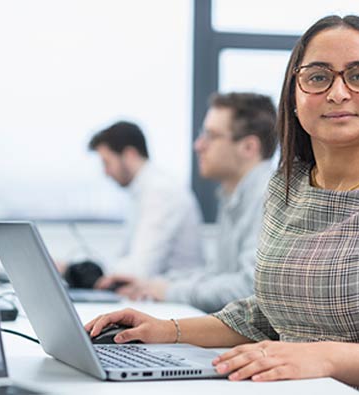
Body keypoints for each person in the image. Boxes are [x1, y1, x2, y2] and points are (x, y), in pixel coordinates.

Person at [85, 15, 359, 394]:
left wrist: (324, 358)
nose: (338, 93)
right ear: (294, 96)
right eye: (318, 78)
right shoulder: (287, 185)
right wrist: (167, 329)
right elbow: (270, 314)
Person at [96, 93, 278, 313]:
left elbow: (250, 288)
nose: (198, 145)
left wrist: (168, 291)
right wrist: (160, 285)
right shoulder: (233, 196)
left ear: (248, 147)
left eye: (211, 136)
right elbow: (218, 274)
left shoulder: (268, 196)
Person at [86, 121, 203, 279]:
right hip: (156, 293)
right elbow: (127, 258)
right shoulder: (142, 192)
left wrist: (86, 273)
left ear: (130, 155)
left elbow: (140, 269)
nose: (106, 172)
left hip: (173, 296)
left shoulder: (161, 191)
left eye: (107, 163)